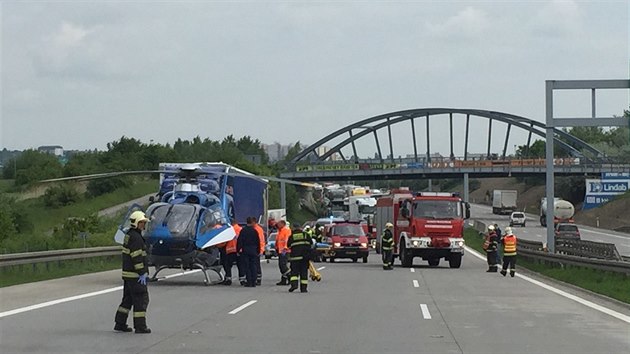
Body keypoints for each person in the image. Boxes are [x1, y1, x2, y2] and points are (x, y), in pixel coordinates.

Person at [114, 211, 151, 334]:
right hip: (135, 276)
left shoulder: (129, 235)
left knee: (128, 300)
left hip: (128, 275)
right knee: (141, 300)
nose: (143, 225)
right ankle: (140, 326)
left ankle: (120, 323)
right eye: (142, 223)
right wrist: (142, 272)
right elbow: (136, 257)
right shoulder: (136, 238)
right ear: (136, 223)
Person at [237, 217, 261, 287]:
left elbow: (240, 241)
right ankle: (254, 281)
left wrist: (238, 250)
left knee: (247, 266)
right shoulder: (255, 231)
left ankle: (249, 281)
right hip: (253, 250)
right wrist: (258, 250)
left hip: (246, 250)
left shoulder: (243, 231)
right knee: (253, 265)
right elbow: (258, 241)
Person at [287, 227, 313, 293]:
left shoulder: (292, 236)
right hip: (304, 258)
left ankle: (294, 285)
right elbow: (311, 243)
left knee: (294, 273)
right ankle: (303, 288)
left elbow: (288, 245)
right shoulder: (306, 235)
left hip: (295, 258)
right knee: (304, 273)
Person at [220, 219, 242, 286]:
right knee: (240, 266)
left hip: (230, 250)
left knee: (228, 265)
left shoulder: (229, 230)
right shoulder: (240, 229)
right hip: (239, 250)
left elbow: (224, 241)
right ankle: (242, 279)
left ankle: (228, 278)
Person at [275, 220, 291, 285]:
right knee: (281, 265)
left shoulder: (286, 230)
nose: (277, 225)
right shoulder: (280, 231)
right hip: (280, 250)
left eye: (278, 224)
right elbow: (278, 240)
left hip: (284, 251)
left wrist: (285, 248)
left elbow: (287, 240)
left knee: (283, 265)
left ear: (282, 224)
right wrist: (276, 247)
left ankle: (290, 276)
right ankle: (284, 280)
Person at [253, 220, 265, 285]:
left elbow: (260, 241)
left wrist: (260, 250)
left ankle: (258, 278)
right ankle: (257, 278)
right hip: (258, 249)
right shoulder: (258, 229)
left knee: (256, 265)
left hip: (257, 249)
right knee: (256, 265)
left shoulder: (257, 229)